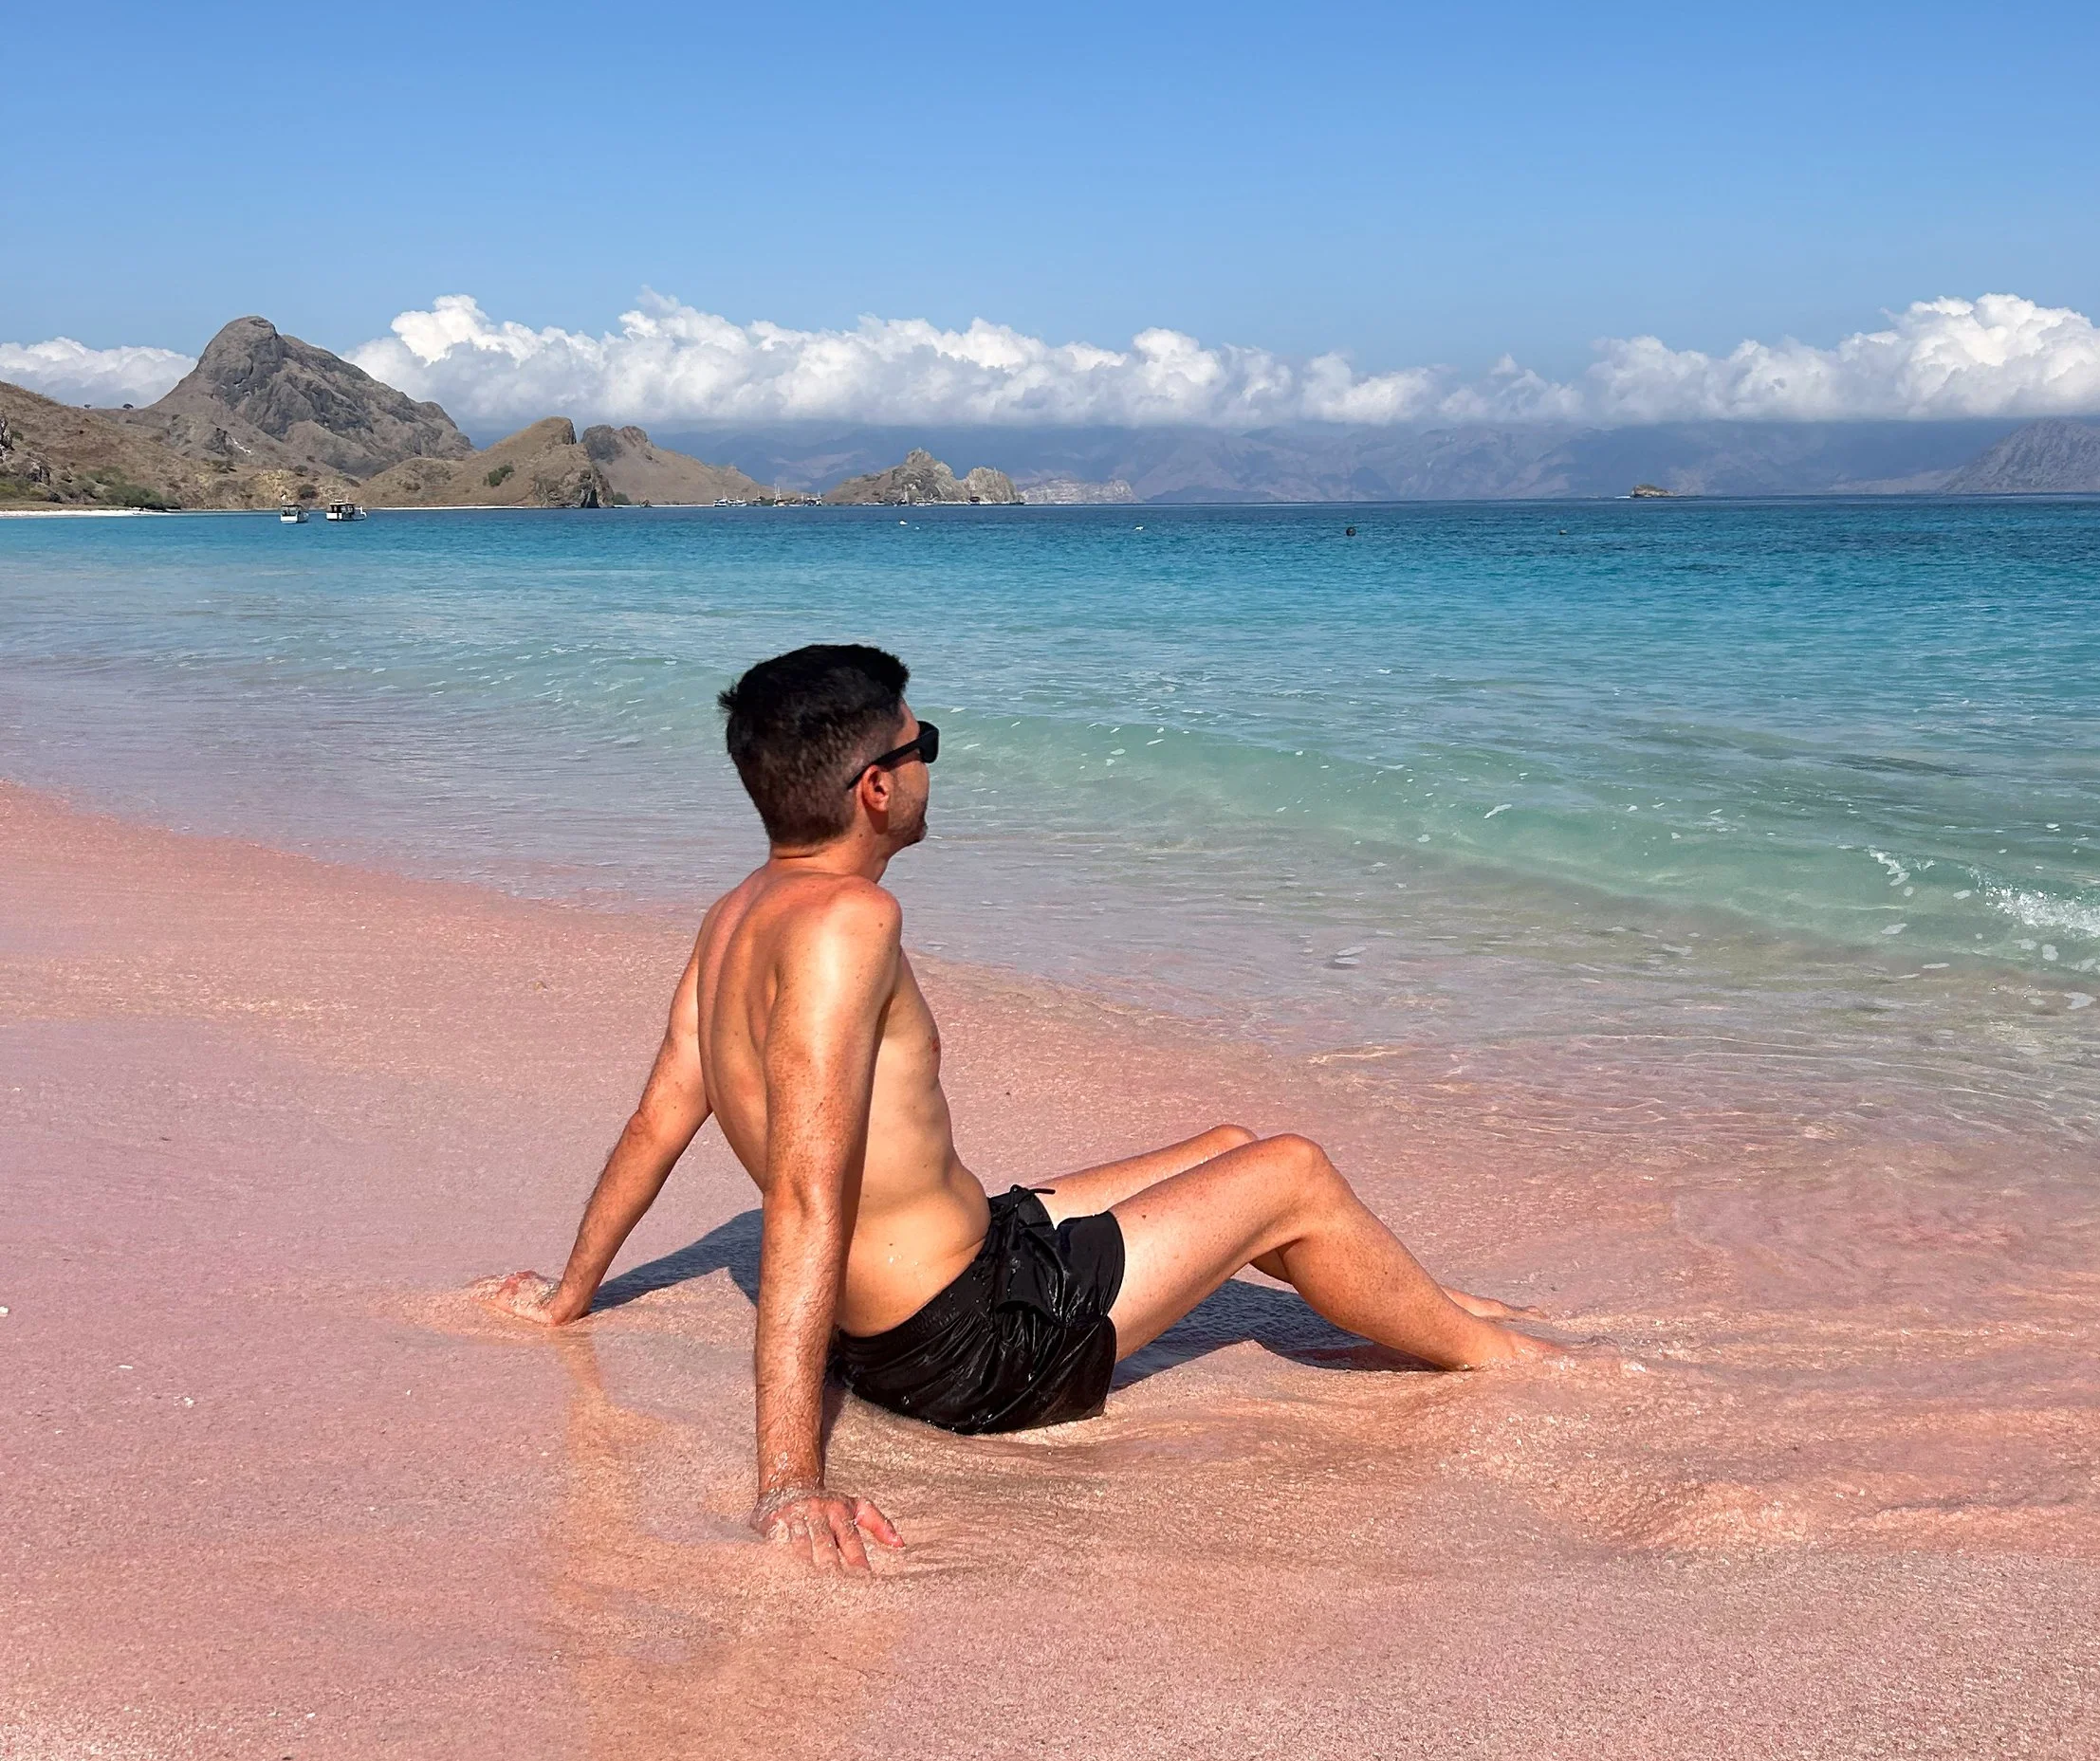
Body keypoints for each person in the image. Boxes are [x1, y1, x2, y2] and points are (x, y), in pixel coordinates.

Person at [477, 642, 1573, 1567]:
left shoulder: (735, 915)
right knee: (1291, 1171)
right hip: (974, 1350)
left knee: (1230, 1148)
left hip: (953, 1278)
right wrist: (787, 1482)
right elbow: (807, 1197)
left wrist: (571, 1293)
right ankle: (1519, 1368)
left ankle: (1430, 1305)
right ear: (874, 787)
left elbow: (658, 1117)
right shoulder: (849, 924)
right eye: (922, 748)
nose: (926, 770)